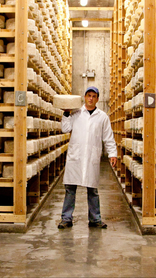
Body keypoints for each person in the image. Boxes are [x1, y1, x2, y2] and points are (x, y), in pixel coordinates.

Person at [58, 86, 117, 229]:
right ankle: (66, 218)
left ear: (97, 99)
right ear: (84, 97)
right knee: (70, 189)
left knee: (93, 190)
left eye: (94, 96)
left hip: (91, 157)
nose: (91, 98)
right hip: (76, 157)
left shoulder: (102, 116)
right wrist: (66, 114)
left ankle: (95, 219)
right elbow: (65, 129)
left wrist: (112, 153)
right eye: (88, 95)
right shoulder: (76, 113)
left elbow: (108, 137)